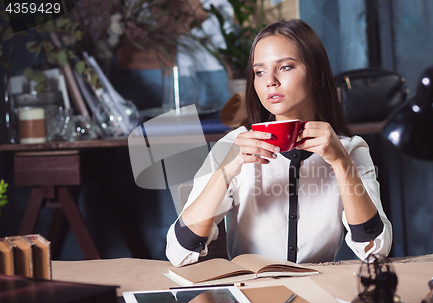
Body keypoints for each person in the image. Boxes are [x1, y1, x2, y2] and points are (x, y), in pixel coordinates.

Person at [166, 19, 392, 267]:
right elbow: (179, 253)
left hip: (320, 292)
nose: (269, 81)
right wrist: (226, 171)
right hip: (252, 291)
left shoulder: (349, 150)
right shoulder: (234, 145)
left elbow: (375, 250)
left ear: (316, 75)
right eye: (259, 71)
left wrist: (341, 163)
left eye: (284, 67)